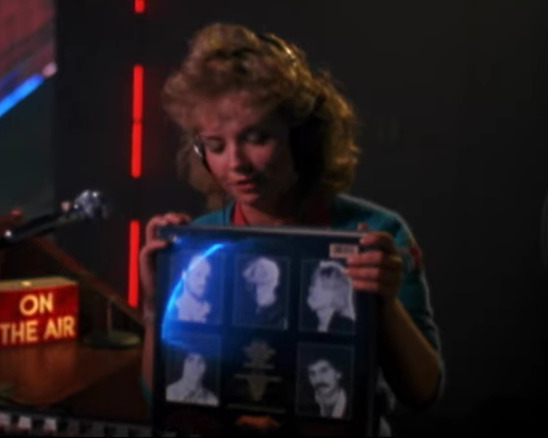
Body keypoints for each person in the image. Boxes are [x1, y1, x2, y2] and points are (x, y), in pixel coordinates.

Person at [139, 22, 443, 434]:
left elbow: (423, 391)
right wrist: (157, 308)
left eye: (257, 138)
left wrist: (384, 304)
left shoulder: (376, 232)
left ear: (302, 138)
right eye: (215, 145)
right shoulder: (202, 242)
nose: (236, 163)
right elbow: (158, 396)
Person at [305, 260, 356, 333]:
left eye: (314, 283)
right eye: (311, 283)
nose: (310, 289)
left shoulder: (346, 327)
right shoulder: (311, 324)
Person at [238, 256, 286, 328]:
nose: (257, 289)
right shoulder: (243, 311)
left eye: (253, 274)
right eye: (249, 284)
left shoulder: (282, 319)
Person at [168, 253, 214, 323]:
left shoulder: (213, 314)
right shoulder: (170, 311)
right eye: (198, 275)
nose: (203, 282)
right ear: (184, 275)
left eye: (207, 277)